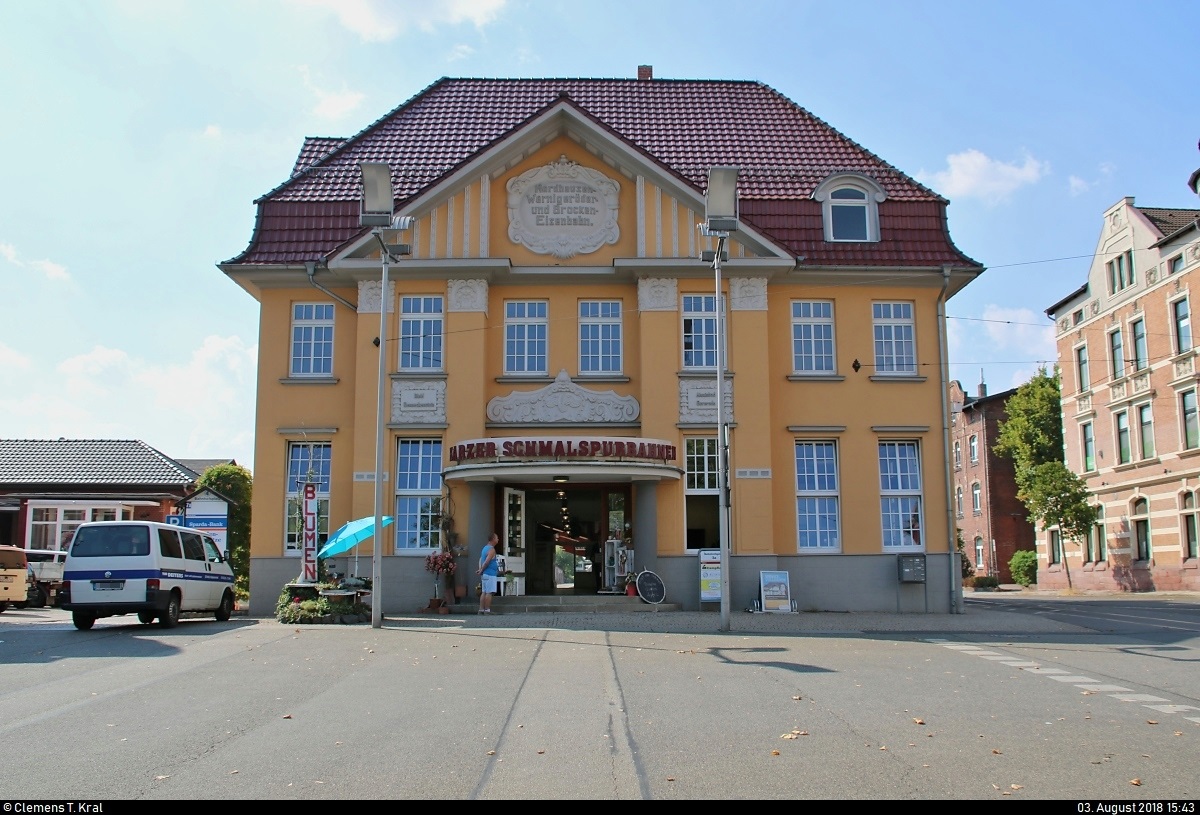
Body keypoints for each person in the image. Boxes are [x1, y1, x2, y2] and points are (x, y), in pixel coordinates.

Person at [476, 532, 500, 614]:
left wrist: (481, 570)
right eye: (497, 538)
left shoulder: (484, 548)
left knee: (484, 592)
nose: (498, 539)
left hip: (485, 574)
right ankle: (487, 610)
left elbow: (481, 560)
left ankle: (481, 609)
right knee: (489, 593)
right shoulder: (491, 549)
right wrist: (481, 570)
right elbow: (487, 562)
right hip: (490, 574)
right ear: (493, 539)